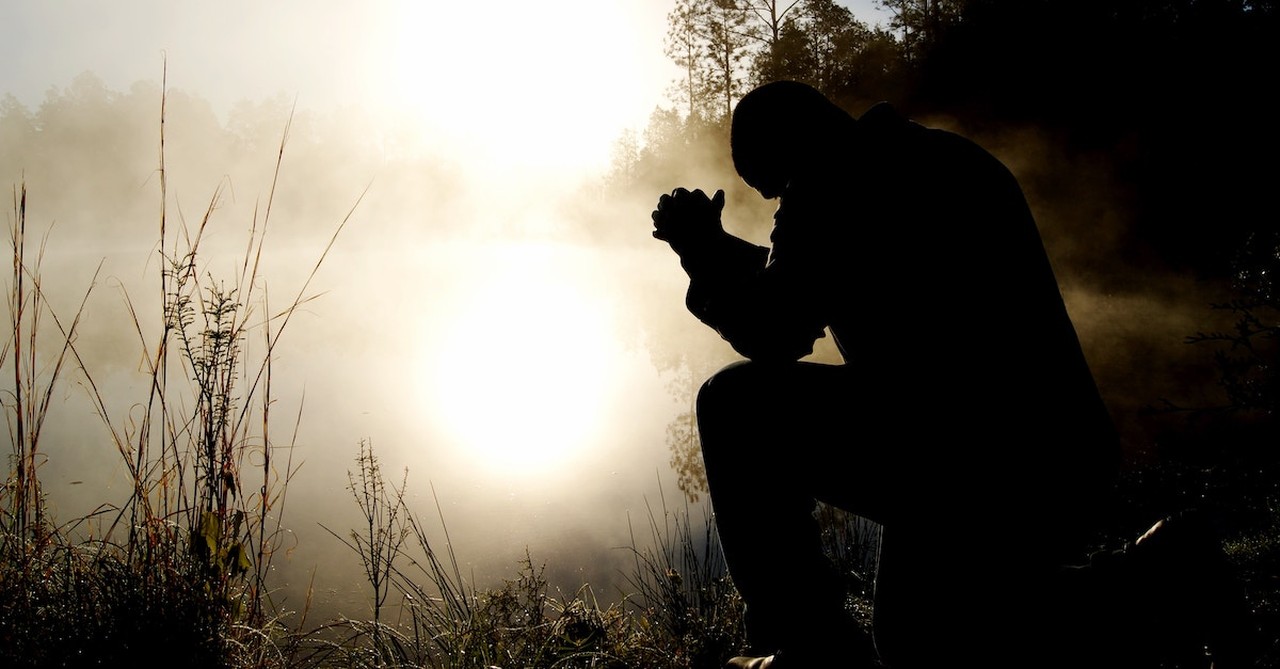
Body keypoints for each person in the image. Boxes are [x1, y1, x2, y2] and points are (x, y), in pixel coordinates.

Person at [650, 80, 1125, 668]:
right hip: (1059, 454)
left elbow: (778, 331)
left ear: (793, 145)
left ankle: (808, 647)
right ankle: (1159, 577)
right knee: (920, 638)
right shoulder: (937, 156)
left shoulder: (831, 185)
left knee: (734, 404)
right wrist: (720, 247)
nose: (780, 206)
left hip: (964, 457)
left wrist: (698, 252)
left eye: (778, 189)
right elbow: (810, 274)